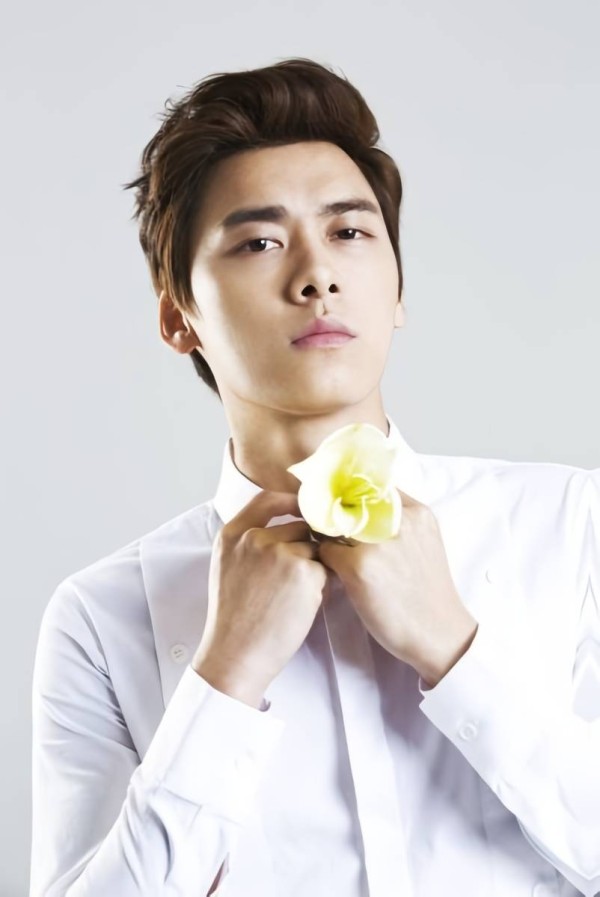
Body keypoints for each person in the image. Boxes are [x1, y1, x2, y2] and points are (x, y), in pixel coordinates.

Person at [30, 57, 597, 897]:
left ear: (397, 288)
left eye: (350, 233)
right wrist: (224, 678)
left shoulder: (573, 525)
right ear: (178, 316)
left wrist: (454, 648)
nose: (317, 276)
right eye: (259, 242)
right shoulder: (101, 618)